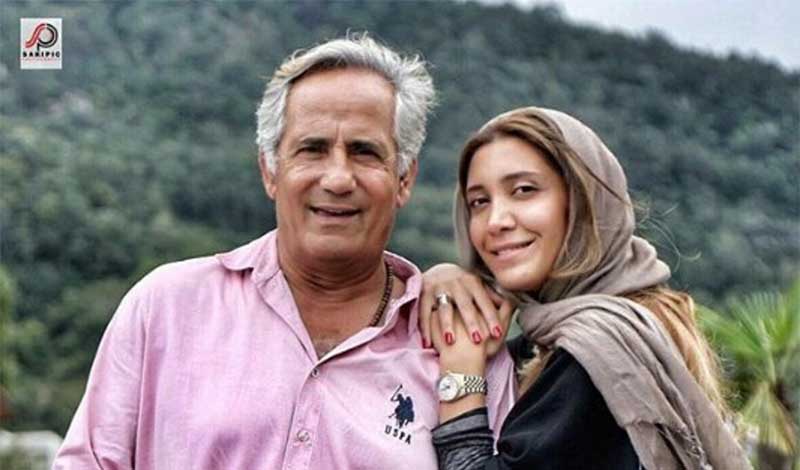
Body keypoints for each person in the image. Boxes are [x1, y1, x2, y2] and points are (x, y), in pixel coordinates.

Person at [53, 35, 516, 469]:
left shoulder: (461, 342)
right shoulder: (166, 309)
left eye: (364, 152)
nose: (338, 178)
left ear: (404, 179)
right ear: (270, 171)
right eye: (312, 149)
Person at [419, 107, 752, 469]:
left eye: (524, 190)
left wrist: (461, 378)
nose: (495, 221)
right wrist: (441, 284)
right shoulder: (631, 322)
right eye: (479, 202)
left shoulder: (595, 354)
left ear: (581, 202)